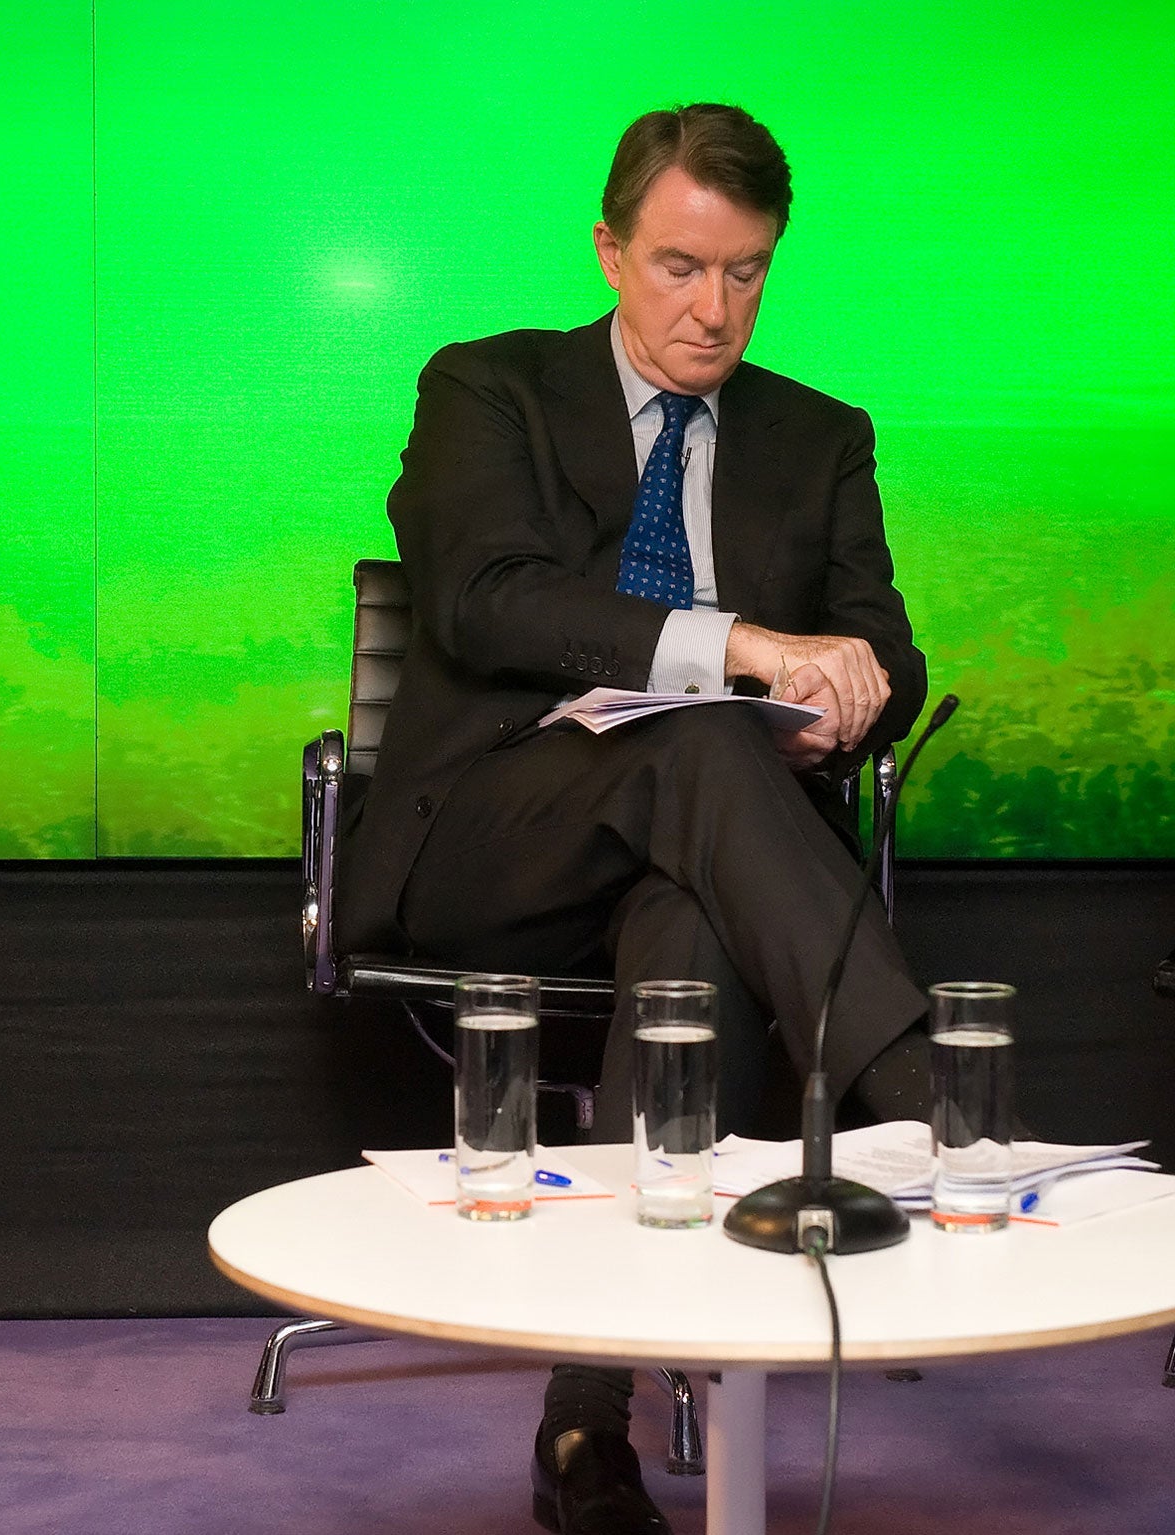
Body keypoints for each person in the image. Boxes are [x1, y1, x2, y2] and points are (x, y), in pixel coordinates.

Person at [335, 104, 931, 1535]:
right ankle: (944, 1119)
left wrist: (848, 695)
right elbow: (489, 602)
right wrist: (739, 652)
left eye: (746, 274)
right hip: (495, 830)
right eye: (678, 268)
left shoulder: (819, 435)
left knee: (696, 922)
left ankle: (579, 1436)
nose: (711, 310)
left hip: (703, 841)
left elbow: (886, 654)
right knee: (707, 745)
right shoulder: (491, 388)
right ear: (610, 251)